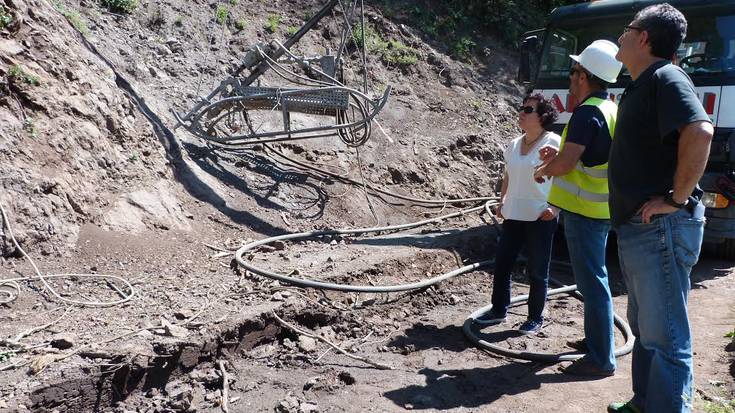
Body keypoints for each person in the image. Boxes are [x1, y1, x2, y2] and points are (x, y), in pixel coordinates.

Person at [608, 4, 713, 413]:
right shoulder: (642, 84)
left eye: (627, 29)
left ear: (644, 37)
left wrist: (675, 199)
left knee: (666, 335)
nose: (620, 36)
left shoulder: (666, 76)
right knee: (645, 329)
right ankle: (644, 404)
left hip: (660, 229)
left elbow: (700, 131)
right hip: (641, 229)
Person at [533, 39, 623, 377]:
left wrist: (544, 170)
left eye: (573, 72)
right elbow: (589, 158)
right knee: (593, 281)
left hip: (586, 212)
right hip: (599, 210)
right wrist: (554, 159)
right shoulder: (609, 107)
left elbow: (569, 165)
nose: (570, 79)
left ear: (584, 75)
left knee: (593, 283)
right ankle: (597, 343)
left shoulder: (587, 112)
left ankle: (600, 359)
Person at [474, 94, 561, 335]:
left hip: (539, 216)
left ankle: (535, 317)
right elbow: (508, 176)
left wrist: (555, 208)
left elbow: (564, 177)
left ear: (542, 116)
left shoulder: (553, 142)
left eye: (528, 109)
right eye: (522, 107)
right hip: (513, 214)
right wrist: (502, 201)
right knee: (502, 264)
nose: (521, 112)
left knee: (537, 269)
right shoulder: (513, 144)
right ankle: (499, 309)